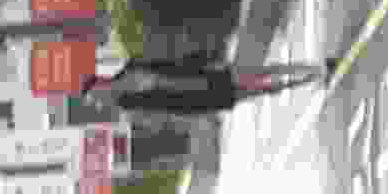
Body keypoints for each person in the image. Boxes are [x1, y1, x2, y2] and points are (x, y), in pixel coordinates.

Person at [78, 53, 325, 120]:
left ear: (100, 83)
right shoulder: (127, 105)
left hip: (201, 74)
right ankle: (307, 80)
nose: (99, 102)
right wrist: (200, 113)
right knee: (260, 91)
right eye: (96, 102)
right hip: (198, 100)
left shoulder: (132, 66)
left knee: (261, 72)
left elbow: (171, 60)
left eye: (95, 96)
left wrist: (205, 61)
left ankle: (313, 68)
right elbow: (166, 111)